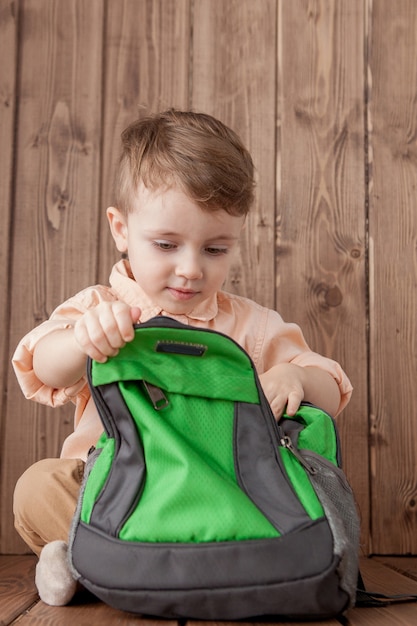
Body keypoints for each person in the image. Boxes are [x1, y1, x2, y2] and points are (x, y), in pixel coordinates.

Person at [12, 109, 352, 606]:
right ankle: (87, 553)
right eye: (166, 244)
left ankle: (111, 568)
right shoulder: (101, 309)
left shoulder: (251, 328)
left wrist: (293, 375)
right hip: (115, 499)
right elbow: (41, 364)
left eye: (215, 249)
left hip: (217, 495)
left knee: (285, 492)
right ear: (121, 229)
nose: (190, 269)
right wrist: (84, 340)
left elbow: (332, 389)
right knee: (37, 487)